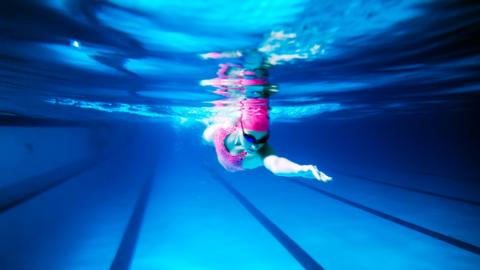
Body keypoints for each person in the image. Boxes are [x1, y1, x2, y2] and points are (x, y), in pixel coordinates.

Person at [201, 61, 331, 182]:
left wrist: (299, 170)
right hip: (219, 139)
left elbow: (276, 164)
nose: (255, 146)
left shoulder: (260, 153)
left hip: (232, 166)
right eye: (251, 138)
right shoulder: (226, 126)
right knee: (208, 134)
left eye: (262, 140)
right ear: (239, 127)